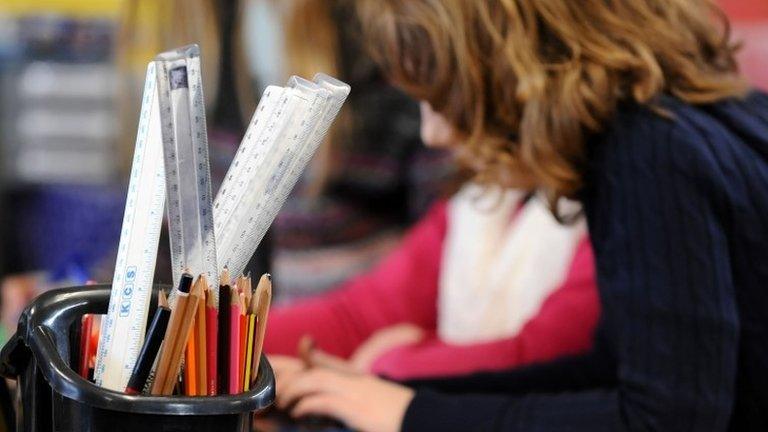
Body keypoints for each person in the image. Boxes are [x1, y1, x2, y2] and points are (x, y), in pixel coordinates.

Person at [272, 0, 768, 431]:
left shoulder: (650, 151)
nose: (434, 135)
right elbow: (615, 371)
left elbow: (662, 420)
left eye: (443, 98)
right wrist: (403, 394)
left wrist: (409, 413)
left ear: (514, 65)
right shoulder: (708, 117)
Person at [264, 99, 600, 381]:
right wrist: (224, 340)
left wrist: (387, 365)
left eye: (442, 92)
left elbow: (543, 356)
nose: (431, 135)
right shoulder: (481, 199)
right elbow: (357, 318)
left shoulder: (611, 205)